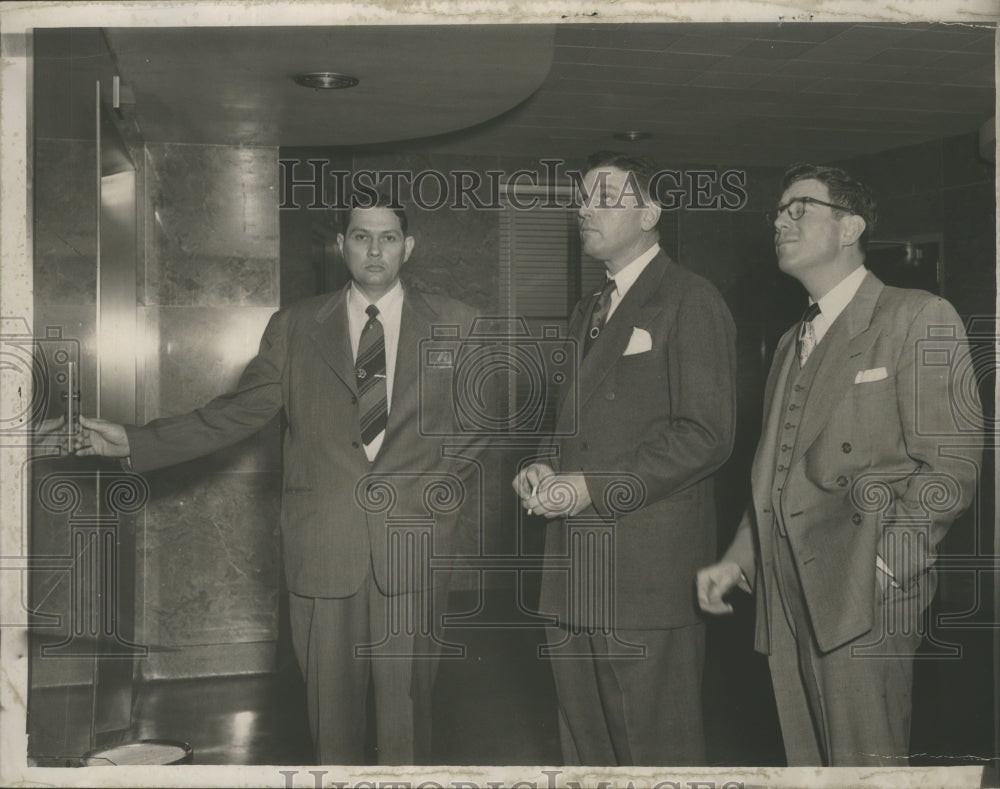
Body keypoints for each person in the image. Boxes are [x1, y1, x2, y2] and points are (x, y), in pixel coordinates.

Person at [76, 194, 482, 765]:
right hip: (322, 546)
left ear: (408, 247)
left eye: (388, 237)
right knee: (331, 716)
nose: (374, 249)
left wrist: (433, 498)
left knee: (408, 716)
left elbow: (480, 427)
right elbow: (238, 413)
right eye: (361, 236)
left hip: (412, 547)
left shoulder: (459, 323)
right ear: (340, 246)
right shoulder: (293, 327)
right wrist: (138, 440)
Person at [696, 163, 983, 766]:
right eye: (777, 211)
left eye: (798, 208)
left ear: (849, 225)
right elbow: (776, 472)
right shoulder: (790, 341)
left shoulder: (917, 316)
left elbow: (950, 469)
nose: (780, 220)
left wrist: (883, 566)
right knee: (809, 763)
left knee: (864, 766)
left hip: (863, 594)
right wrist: (737, 558)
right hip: (785, 591)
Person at [512, 151, 737, 765]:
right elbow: (569, 427)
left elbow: (706, 434)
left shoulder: (691, 300)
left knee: (653, 753)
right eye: (582, 198)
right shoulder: (589, 310)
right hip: (571, 573)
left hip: (644, 579)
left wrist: (593, 486)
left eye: (605, 197)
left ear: (650, 213)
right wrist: (540, 463)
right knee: (587, 751)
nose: (585, 208)